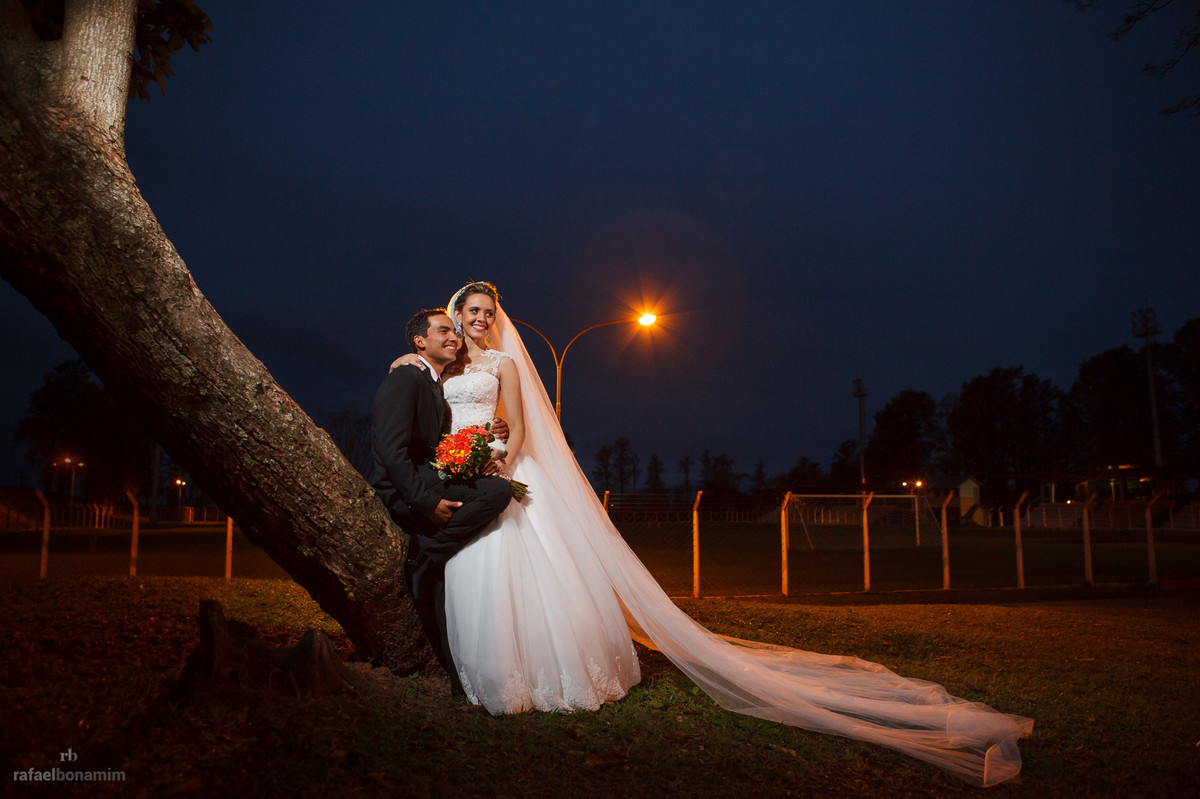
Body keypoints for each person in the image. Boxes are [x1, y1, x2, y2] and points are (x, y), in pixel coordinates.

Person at [394, 283, 1033, 787]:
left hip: (507, 472)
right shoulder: (436, 370)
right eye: (468, 313)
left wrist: (503, 459)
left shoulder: (504, 362)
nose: (477, 321)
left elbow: (522, 423)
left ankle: (550, 672)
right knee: (480, 566)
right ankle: (489, 671)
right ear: (450, 321)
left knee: (536, 565)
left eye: (485, 312)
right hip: (463, 479)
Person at [370, 308, 513, 695]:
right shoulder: (407, 377)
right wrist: (425, 503)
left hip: (428, 480)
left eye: (454, 331)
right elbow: (390, 450)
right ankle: (429, 553)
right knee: (498, 492)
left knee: (499, 489)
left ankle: (429, 554)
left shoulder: (433, 382)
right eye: (444, 330)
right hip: (405, 493)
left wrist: (492, 431)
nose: (454, 336)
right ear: (420, 341)